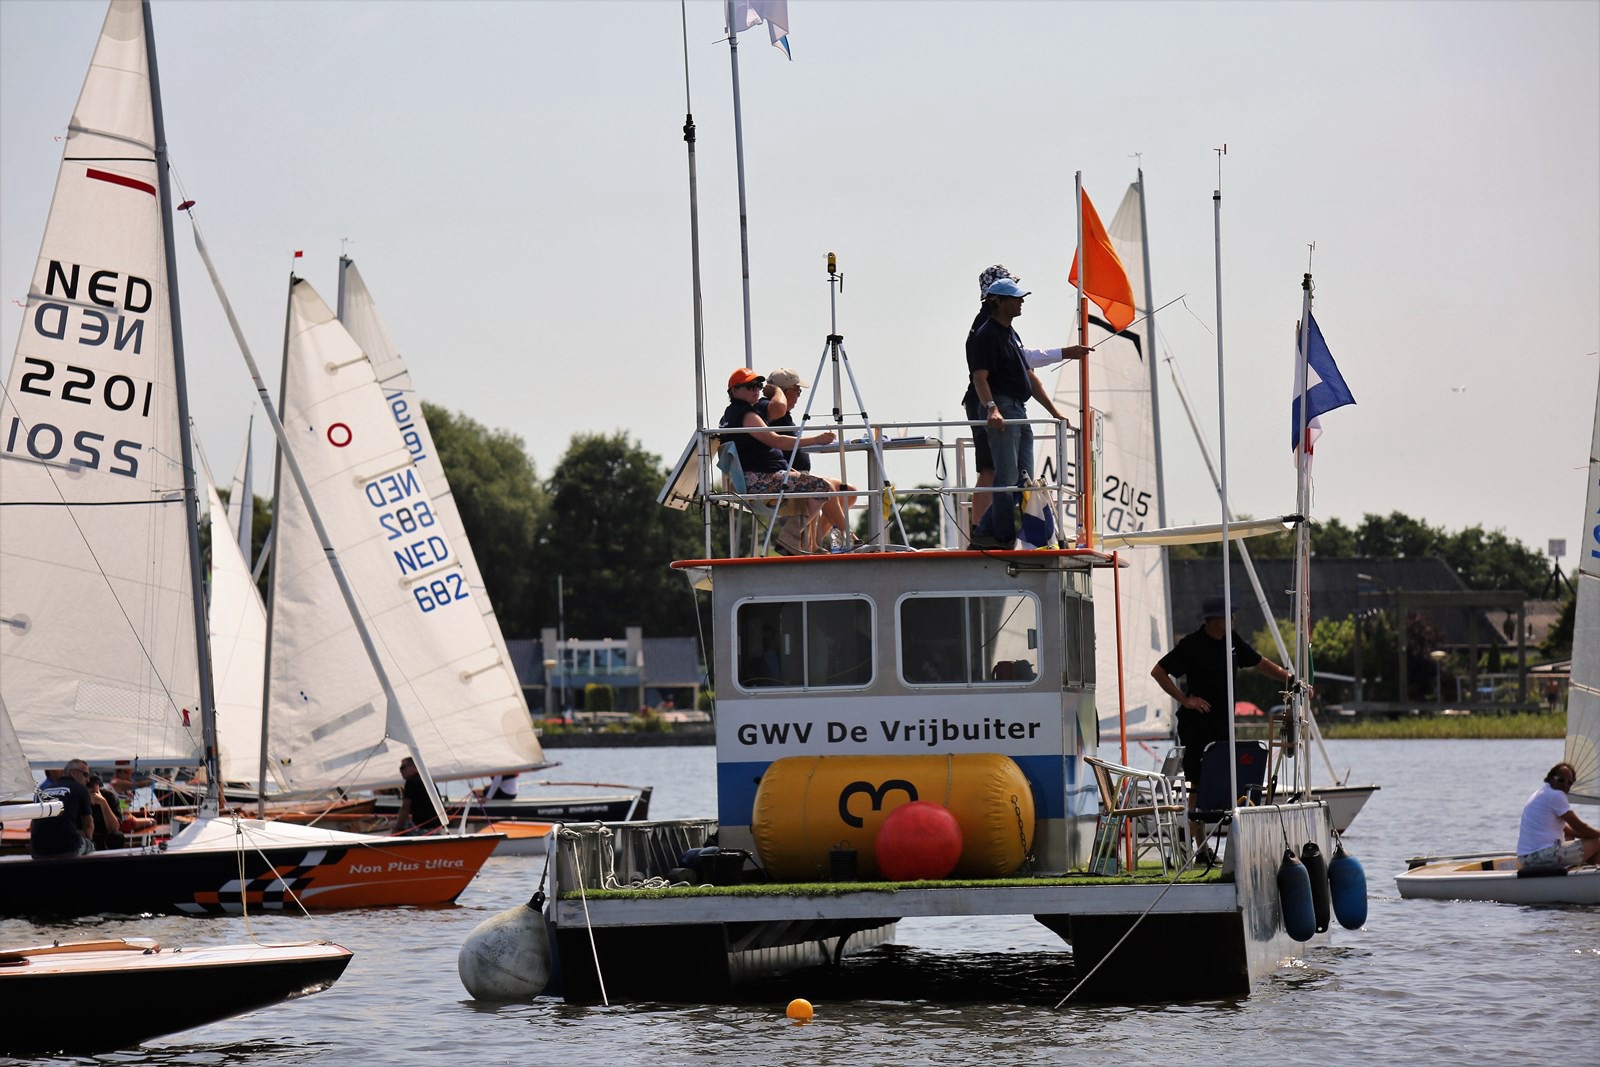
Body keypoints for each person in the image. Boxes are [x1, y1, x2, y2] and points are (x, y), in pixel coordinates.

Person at [1150, 595, 1297, 857]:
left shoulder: (1233, 641)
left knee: (1220, 780)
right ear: (1213, 619)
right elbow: (1159, 672)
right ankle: (1193, 843)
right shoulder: (1192, 644)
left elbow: (1259, 662)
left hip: (1223, 725)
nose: (1233, 618)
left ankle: (1208, 842)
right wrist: (1186, 699)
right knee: (1197, 782)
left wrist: (1290, 679)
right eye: (1228, 615)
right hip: (1196, 725)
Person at [961, 265, 1090, 539]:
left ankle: (996, 532)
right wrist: (992, 409)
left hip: (1016, 408)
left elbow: (1027, 372)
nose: (1021, 301)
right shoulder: (986, 331)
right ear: (997, 300)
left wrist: (1054, 411)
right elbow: (980, 377)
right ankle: (998, 535)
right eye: (1014, 295)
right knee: (1000, 474)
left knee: (1021, 477)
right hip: (999, 406)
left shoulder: (1009, 332)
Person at [720, 367, 848, 553]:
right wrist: (815, 439)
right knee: (823, 487)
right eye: (749, 386)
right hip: (762, 479)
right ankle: (790, 538)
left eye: (758, 386)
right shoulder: (747, 415)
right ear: (734, 391)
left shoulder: (733, 414)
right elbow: (775, 440)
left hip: (759, 476)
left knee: (817, 486)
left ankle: (801, 542)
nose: (756, 390)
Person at [758, 368, 859, 550]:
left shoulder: (780, 414)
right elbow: (778, 442)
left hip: (796, 474)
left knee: (849, 492)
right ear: (785, 391)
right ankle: (849, 538)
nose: (798, 396)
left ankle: (812, 544)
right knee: (827, 488)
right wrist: (816, 440)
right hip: (787, 476)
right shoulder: (771, 412)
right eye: (797, 390)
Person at [1516, 761, 1600, 870]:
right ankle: (1592, 875)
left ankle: (1589, 871)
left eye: (1569, 783)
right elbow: (1580, 827)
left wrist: (1586, 836)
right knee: (1597, 842)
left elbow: (1567, 830)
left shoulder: (1542, 792)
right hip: (1539, 858)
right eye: (1561, 780)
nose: (1565, 785)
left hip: (1526, 858)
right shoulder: (1556, 795)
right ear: (1551, 779)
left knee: (1569, 838)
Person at [30, 758, 95, 858]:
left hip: (37, 851)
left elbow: (32, 824)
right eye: (85, 774)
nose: (88, 780)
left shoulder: (43, 790)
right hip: (67, 850)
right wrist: (87, 839)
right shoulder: (80, 788)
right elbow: (88, 824)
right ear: (73, 772)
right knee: (90, 845)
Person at [395, 756, 443, 834]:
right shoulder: (426, 779)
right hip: (436, 828)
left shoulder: (411, 782)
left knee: (394, 825)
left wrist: (397, 828)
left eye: (402, 767)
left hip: (423, 829)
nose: (400, 771)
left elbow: (405, 808)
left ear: (414, 766)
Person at [86, 773, 127, 851]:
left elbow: (114, 828)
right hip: (85, 836)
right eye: (88, 785)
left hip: (104, 836)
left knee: (117, 837)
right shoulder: (76, 797)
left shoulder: (109, 796)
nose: (91, 789)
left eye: (94, 785)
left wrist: (103, 803)